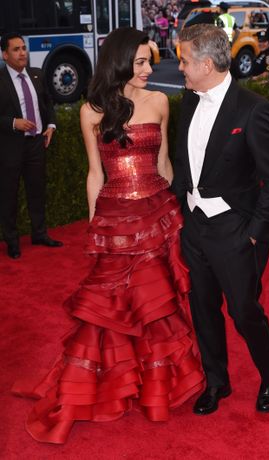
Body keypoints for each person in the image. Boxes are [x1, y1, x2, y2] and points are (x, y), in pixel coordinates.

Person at [12, 27, 204, 444]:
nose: (149, 69)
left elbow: (166, 162)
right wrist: (94, 225)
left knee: (157, 305)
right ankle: (115, 382)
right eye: (139, 62)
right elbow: (95, 173)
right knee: (113, 308)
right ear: (118, 63)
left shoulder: (159, 101)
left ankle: (156, 386)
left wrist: (177, 217)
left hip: (156, 215)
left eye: (149, 60)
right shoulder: (91, 110)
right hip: (116, 221)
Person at [173, 24, 269, 416]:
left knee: (243, 311)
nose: (180, 67)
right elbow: (184, 163)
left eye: (184, 60)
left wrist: (255, 234)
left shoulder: (253, 109)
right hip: (195, 226)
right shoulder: (187, 101)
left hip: (235, 230)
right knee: (203, 308)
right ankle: (217, 383)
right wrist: (180, 209)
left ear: (206, 63)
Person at [0, 33, 63, 259]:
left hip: (36, 143)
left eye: (24, 48)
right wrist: (13, 122)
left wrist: (52, 125)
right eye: (16, 49)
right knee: (9, 195)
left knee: (37, 191)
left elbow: (47, 103)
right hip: (11, 147)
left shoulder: (36, 74)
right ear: (5, 55)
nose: (22, 53)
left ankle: (39, 234)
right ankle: (12, 241)